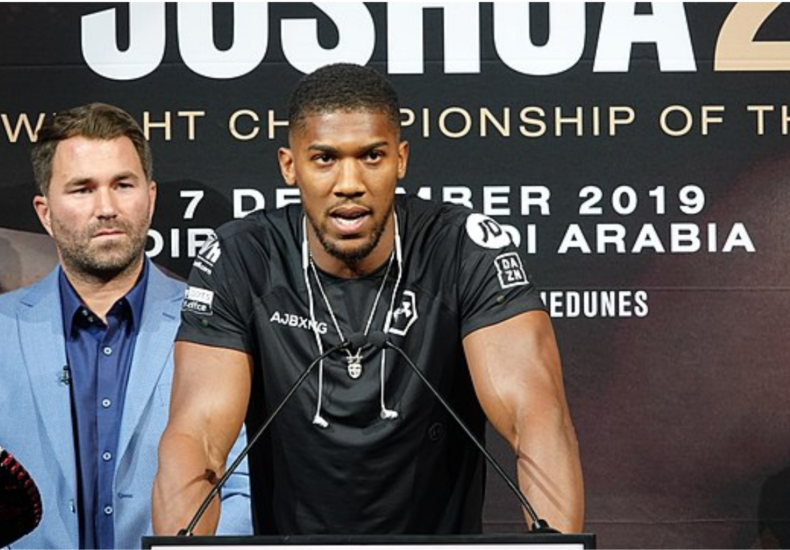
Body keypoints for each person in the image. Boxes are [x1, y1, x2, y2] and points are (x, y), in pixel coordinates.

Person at [153, 63, 584, 535]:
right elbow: (197, 438)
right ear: (289, 166)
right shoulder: (243, 258)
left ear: (401, 159)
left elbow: (536, 419)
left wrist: (557, 548)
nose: (349, 183)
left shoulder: (463, 249)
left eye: (372, 156)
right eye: (324, 159)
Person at [0, 103, 251, 548]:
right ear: (45, 212)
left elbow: (247, 487)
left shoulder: (216, 325)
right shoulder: (3, 329)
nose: (106, 208)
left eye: (123, 185)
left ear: (150, 198)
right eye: (82, 189)